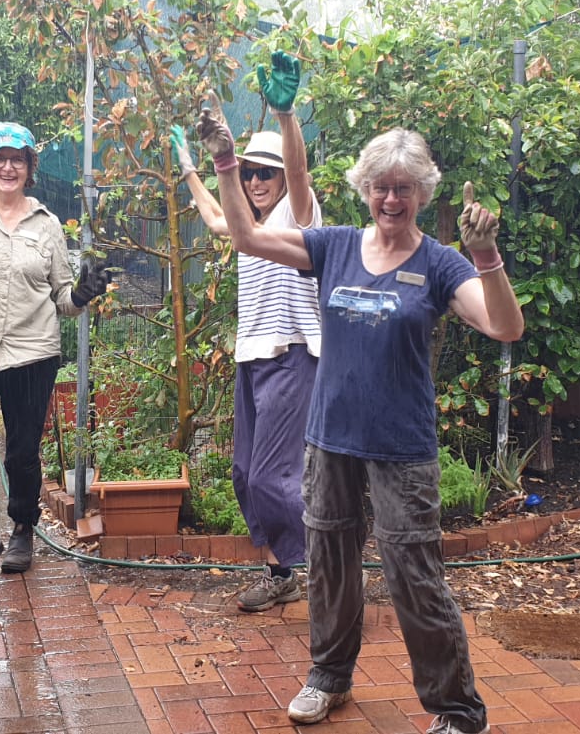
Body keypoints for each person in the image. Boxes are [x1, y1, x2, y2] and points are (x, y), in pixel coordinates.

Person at [195, 108, 523, 734]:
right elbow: (247, 238)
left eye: (403, 187)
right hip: (330, 442)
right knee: (330, 566)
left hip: (402, 449)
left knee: (414, 578)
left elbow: (504, 326)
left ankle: (457, 710)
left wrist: (487, 256)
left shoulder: (441, 263)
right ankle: (327, 676)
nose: (391, 198)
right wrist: (224, 163)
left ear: (423, 193)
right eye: (380, 186)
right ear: (365, 189)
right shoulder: (336, 246)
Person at [171, 51, 321, 612]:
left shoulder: (298, 216)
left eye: (266, 172)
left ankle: (323, 564)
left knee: (271, 477)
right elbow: (214, 215)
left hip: (293, 355)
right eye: (251, 172)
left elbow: (301, 175)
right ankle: (281, 573)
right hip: (251, 357)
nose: (257, 180)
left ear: (282, 177)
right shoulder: (246, 225)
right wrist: (190, 167)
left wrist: (285, 117)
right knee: (242, 474)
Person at [0, 121, 112, 582]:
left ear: (29, 168)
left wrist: (84, 295)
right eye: (0, 158)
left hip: (33, 354)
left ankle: (21, 530)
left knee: (21, 454)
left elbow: (62, 300)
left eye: (17, 159)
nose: (8, 167)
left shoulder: (47, 225)